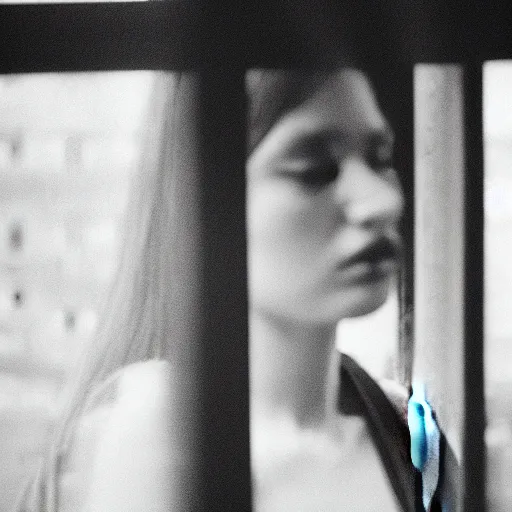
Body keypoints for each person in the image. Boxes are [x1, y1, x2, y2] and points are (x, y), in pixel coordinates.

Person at [14, 69, 419, 512]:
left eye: (381, 158)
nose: (382, 201)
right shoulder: (156, 435)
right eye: (312, 170)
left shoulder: (395, 428)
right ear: (208, 197)